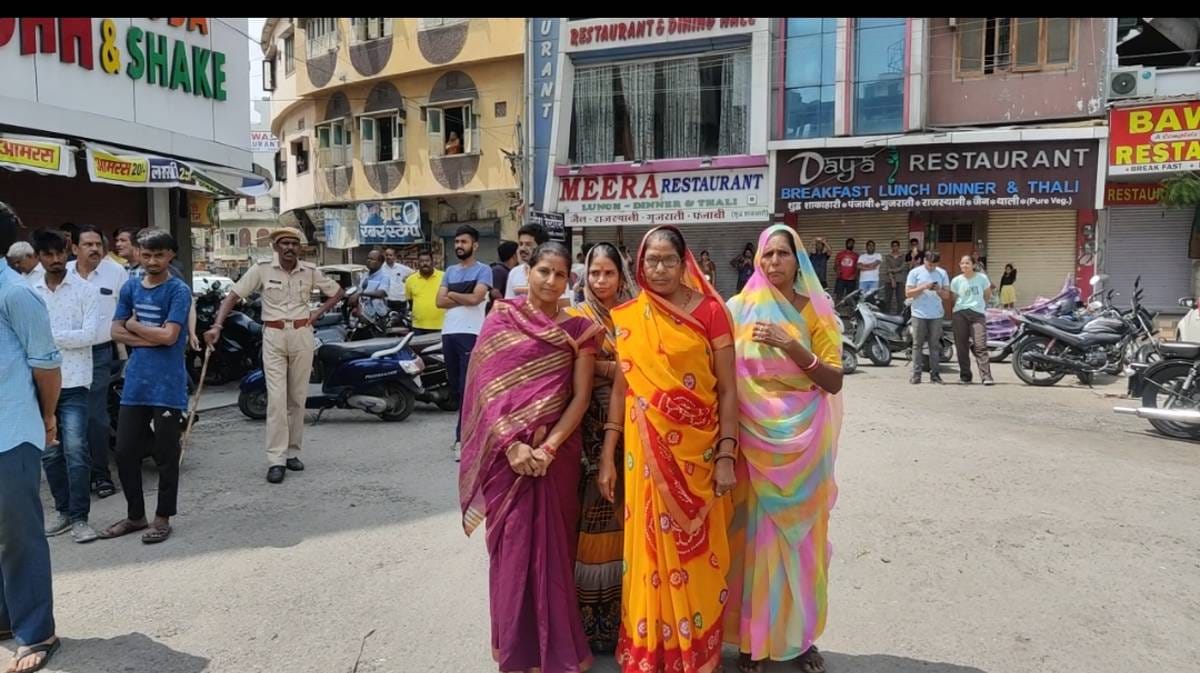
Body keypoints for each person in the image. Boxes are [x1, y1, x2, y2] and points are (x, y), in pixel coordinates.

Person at [597, 225, 738, 673]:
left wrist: (727, 455)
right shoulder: (631, 314)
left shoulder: (712, 312)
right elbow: (623, 387)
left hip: (699, 454)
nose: (658, 269)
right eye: (651, 260)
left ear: (685, 263)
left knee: (700, 554)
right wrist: (608, 453)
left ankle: (695, 649)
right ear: (640, 264)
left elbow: (729, 392)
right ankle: (653, 650)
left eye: (668, 260)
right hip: (644, 453)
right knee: (647, 553)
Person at [458, 241, 601, 673]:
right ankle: (517, 653)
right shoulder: (501, 318)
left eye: (560, 275)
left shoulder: (580, 330)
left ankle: (558, 653)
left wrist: (549, 447)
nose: (552, 282)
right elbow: (485, 388)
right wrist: (513, 445)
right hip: (508, 458)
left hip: (555, 456)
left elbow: (580, 397)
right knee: (513, 552)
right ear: (528, 270)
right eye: (544, 271)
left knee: (554, 554)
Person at [724, 224, 845, 673]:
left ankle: (801, 638)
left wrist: (791, 344)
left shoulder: (817, 311)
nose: (774, 262)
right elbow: (722, 377)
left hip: (804, 443)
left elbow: (833, 380)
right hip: (753, 440)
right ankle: (752, 642)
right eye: (767, 254)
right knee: (752, 541)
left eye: (783, 254)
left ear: (799, 261)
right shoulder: (738, 309)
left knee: (802, 543)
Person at [206, 227, 344, 484]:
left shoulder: (310, 271)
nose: (290, 247)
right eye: (285, 243)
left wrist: (317, 314)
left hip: (302, 334)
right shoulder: (261, 269)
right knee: (277, 399)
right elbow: (234, 296)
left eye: (294, 243)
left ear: (300, 248)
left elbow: (337, 292)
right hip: (273, 335)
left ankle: (293, 452)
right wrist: (217, 326)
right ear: (276, 247)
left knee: (297, 398)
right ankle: (276, 459)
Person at [0, 202, 64, 673]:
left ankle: (37, 629)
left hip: (11, 431)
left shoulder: (16, 295)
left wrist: (47, 419)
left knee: (18, 535)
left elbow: (46, 365)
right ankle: (6, 618)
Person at [567, 242, 637, 653]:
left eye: (609, 273)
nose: (601, 281)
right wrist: (613, 368)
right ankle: (591, 624)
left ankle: (623, 619)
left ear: (621, 275)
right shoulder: (576, 317)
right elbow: (569, 366)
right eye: (594, 273)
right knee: (591, 521)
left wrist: (603, 368)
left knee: (624, 523)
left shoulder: (634, 315)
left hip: (632, 430)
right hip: (586, 432)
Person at [100, 231, 191, 544]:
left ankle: (163, 517)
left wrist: (135, 326)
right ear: (139, 253)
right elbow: (115, 331)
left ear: (170, 256)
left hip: (168, 383)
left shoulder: (178, 291)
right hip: (136, 382)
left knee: (166, 453)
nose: (153, 262)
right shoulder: (129, 288)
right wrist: (149, 337)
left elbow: (169, 337)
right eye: (148, 255)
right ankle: (136, 516)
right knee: (125, 451)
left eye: (160, 255)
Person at [32, 231, 101, 544]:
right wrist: (59, 337)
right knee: (49, 454)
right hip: (38, 383)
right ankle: (62, 512)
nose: (55, 259)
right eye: (47, 254)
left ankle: (80, 519)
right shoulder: (29, 291)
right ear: (39, 256)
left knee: (75, 450)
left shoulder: (85, 291)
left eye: (59, 253)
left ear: (69, 251)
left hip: (74, 383)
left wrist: (46, 338)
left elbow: (89, 335)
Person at [68, 225, 129, 499]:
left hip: (101, 353)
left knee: (95, 415)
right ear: (74, 248)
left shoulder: (116, 273)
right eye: (88, 244)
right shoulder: (63, 275)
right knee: (69, 416)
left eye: (98, 244)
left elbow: (129, 310)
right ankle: (76, 477)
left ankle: (101, 475)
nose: (94, 249)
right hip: (65, 355)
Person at [437, 225, 493, 461]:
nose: (459, 245)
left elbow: (476, 299)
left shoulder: (484, 270)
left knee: (467, 389)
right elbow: (439, 302)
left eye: (464, 242)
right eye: (457, 242)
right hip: (449, 333)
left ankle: (463, 439)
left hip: (471, 335)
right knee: (455, 388)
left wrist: (454, 295)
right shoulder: (450, 270)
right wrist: (464, 297)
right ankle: (468, 436)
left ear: (475, 245)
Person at [905, 251, 951, 385]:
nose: (931, 267)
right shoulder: (915, 272)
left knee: (934, 346)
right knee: (917, 345)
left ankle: (935, 375)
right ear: (924, 260)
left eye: (934, 265)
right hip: (919, 313)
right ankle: (916, 375)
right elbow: (908, 293)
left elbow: (947, 295)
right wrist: (923, 287)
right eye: (929, 264)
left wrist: (938, 289)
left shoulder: (942, 273)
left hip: (936, 314)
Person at [951, 255, 994, 386]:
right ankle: (965, 376)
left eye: (967, 263)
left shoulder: (982, 278)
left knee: (980, 345)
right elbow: (954, 297)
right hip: (960, 314)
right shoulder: (956, 280)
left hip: (977, 315)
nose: (965, 265)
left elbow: (987, 294)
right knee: (961, 346)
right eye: (962, 263)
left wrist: (980, 306)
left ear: (973, 265)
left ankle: (986, 376)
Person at [404, 251, 445, 335]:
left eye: (427, 261)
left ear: (432, 262)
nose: (424, 263)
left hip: (441, 325)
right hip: (418, 326)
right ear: (418, 263)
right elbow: (410, 301)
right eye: (422, 261)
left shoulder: (444, 277)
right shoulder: (410, 280)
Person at [506, 223, 549, 299]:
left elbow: (563, 306)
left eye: (528, 244)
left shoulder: (554, 272)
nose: (522, 248)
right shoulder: (514, 273)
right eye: (521, 244)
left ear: (542, 246)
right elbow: (509, 305)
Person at [356, 249, 391, 321]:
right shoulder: (364, 275)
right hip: (363, 315)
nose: (369, 261)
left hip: (378, 317)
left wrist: (361, 293)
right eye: (368, 258)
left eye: (372, 259)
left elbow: (381, 293)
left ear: (380, 262)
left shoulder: (384, 276)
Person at [382, 247, 414, 317]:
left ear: (394, 257)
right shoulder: (380, 269)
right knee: (388, 324)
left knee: (403, 324)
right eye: (386, 255)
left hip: (402, 301)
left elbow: (415, 274)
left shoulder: (402, 268)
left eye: (390, 255)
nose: (388, 257)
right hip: (387, 301)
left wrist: (407, 279)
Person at [489, 240, 518, 310]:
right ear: (514, 256)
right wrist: (507, 306)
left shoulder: (512, 271)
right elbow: (494, 292)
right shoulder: (498, 270)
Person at [881, 239, 908, 314]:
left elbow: (903, 267)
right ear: (891, 247)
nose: (895, 247)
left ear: (899, 247)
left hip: (900, 280)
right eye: (893, 246)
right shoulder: (887, 256)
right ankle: (886, 316)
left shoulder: (903, 256)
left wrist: (893, 270)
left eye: (896, 246)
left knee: (900, 299)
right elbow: (887, 268)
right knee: (887, 299)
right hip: (889, 280)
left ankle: (899, 316)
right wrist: (892, 280)